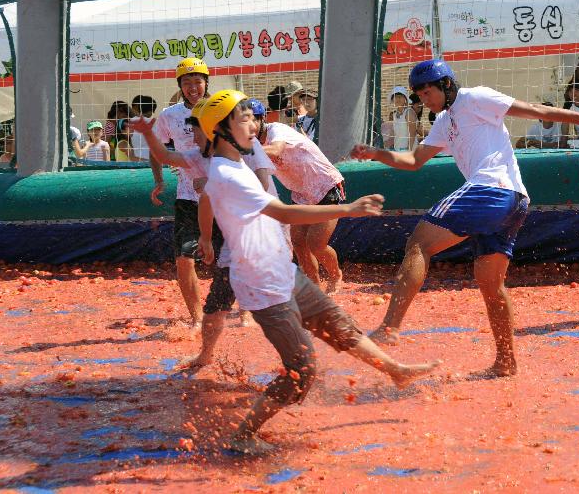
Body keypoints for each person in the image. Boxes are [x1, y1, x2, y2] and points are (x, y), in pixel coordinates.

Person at [186, 89, 441, 455]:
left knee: (337, 323)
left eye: (254, 117)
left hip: (281, 269)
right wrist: (348, 209)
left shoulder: (234, 162)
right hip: (263, 285)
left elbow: (222, 183)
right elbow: (285, 213)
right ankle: (243, 434)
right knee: (301, 370)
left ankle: (394, 371)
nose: (255, 123)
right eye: (244, 118)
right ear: (223, 130)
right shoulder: (229, 173)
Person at [350, 59, 579, 377]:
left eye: (427, 92)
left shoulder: (475, 98)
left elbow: (534, 109)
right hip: (514, 202)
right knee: (490, 285)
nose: (423, 100)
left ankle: (389, 327)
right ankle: (505, 362)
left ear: (446, 84)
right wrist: (376, 153)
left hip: (491, 190)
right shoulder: (444, 121)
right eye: (419, 95)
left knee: (419, 243)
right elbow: (414, 160)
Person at [129, 110, 275, 330]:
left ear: (210, 131)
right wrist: (149, 134)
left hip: (247, 216)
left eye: (196, 132)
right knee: (210, 270)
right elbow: (166, 156)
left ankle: (250, 314)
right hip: (208, 209)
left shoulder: (243, 149)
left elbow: (261, 185)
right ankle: (203, 324)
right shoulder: (198, 155)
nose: (192, 137)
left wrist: (212, 182)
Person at [251, 103, 346, 293]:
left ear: (262, 119)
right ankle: (313, 286)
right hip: (302, 192)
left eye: (251, 120)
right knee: (298, 242)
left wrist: (240, 151)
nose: (247, 126)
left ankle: (336, 276)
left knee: (316, 244)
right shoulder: (251, 144)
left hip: (324, 184)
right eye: (241, 122)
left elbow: (276, 150)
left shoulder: (277, 130)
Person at [150, 57, 212, 332]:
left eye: (197, 82)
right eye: (187, 83)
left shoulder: (223, 107)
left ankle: (245, 312)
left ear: (206, 83)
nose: (193, 88)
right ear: (180, 87)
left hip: (221, 193)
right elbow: (156, 148)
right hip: (188, 196)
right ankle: (197, 318)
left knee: (233, 256)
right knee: (184, 258)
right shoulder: (169, 115)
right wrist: (159, 180)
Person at [387, 86, 417, 151]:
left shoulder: (409, 112)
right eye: (395, 96)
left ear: (405, 99)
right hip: (397, 150)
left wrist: (409, 151)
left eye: (401, 96)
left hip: (409, 151)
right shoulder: (393, 115)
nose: (398, 98)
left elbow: (412, 133)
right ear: (392, 100)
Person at [130, 95, 158, 160]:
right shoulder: (157, 123)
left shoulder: (131, 122)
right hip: (154, 160)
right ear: (151, 111)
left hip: (136, 161)